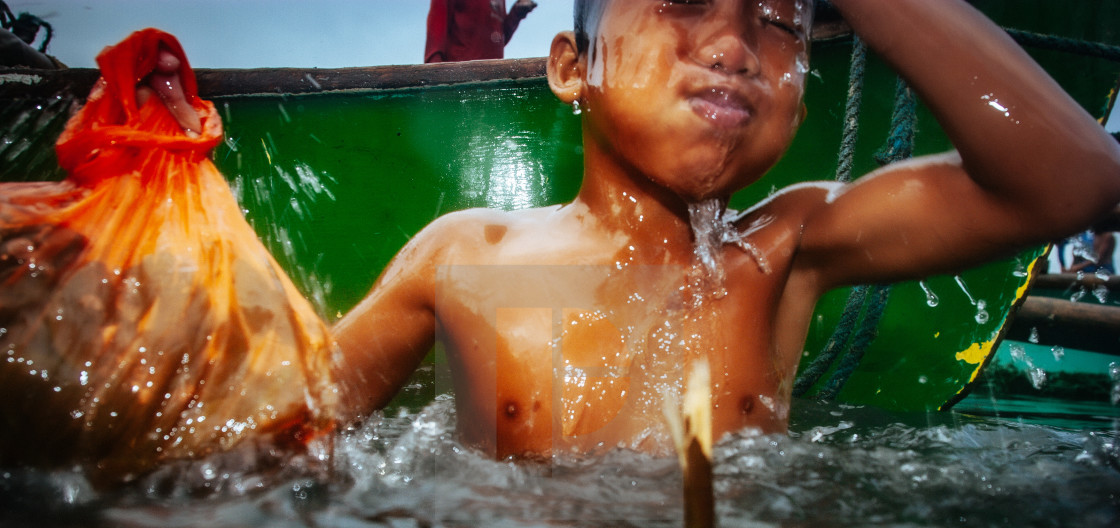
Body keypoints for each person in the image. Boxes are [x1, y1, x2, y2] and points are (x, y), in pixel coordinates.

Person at [153, 0, 1120, 460]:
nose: (735, 45)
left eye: (779, 20)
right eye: (688, 2)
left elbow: (1069, 182)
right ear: (574, 67)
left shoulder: (784, 247)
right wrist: (145, 213)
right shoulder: (465, 257)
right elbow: (278, 429)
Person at [425, 0, 538, 63]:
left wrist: (517, 13)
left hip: (494, 79)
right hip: (461, 80)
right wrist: (435, 78)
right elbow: (436, 31)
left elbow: (498, 38)